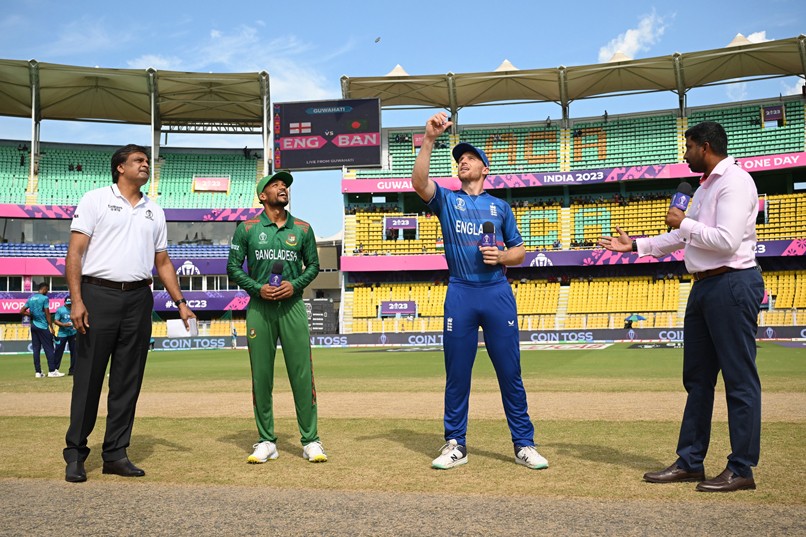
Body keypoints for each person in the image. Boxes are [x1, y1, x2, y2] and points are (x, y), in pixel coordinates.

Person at [599, 121, 764, 492]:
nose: (684, 154)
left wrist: (686, 222)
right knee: (698, 380)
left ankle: (741, 469)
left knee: (739, 381)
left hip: (733, 282)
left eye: (688, 147)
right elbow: (681, 236)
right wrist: (637, 247)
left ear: (705, 147)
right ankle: (691, 461)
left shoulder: (734, 182)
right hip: (705, 286)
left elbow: (725, 240)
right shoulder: (705, 187)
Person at [412, 112, 548, 471]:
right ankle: (456, 443)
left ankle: (524, 444)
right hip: (461, 292)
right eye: (458, 160)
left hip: (496, 292)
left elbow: (520, 252)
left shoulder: (500, 207)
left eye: (470, 158)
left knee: (510, 373)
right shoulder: (447, 200)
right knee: (458, 374)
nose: (463, 163)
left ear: (485, 169)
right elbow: (419, 182)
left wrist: (501, 255)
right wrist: (428, 139)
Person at [63, 144, 195, 484]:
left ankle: (115, 454)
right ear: (120, 167)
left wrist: (180, 302)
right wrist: (76, 300)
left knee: (127, 381)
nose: (146, 165)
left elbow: (162, 262)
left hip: (139, 298)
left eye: (147, 161)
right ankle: (76, 453)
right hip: (98, 294)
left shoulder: (155, 210)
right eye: (138, 161)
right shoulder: (94, 199)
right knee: (89, 378)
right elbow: (75, 253)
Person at [227, 171, 324, 464]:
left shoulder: (304, 229)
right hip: (260, 307)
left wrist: (294, 285)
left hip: (293, 306)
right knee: (262, 376)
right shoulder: (247, 228)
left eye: (285, 185)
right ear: (262, 195)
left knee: (302, 375)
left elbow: (314, 266)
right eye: (275, 185)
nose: (283, 188)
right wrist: (257, 289)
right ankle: (266, 440)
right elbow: (233, 267)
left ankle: (311, 440)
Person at [20, 283, 60, 378]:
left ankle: (38, 372)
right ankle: (52, 371)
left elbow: (21, 311)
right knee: (49, 348)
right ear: (44, 289)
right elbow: (48, 314)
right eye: (47, 290)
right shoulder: (44, 298)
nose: (48, 292)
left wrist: (31, 315)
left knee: (36, 350)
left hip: (33, 325)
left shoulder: (31, 298)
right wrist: (51, 327)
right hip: (42, 326)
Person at [53, 296, 78, 375]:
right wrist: (64, 325)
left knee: (74, 352)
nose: (69, 305)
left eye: (70, 304)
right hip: (62, 334)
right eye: (68, 304)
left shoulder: (76, 309)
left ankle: (72, 371)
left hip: (73, 334)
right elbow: (56, 321)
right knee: (58, 352)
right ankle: (55, 370)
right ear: (65, 303)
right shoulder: (60, 310)